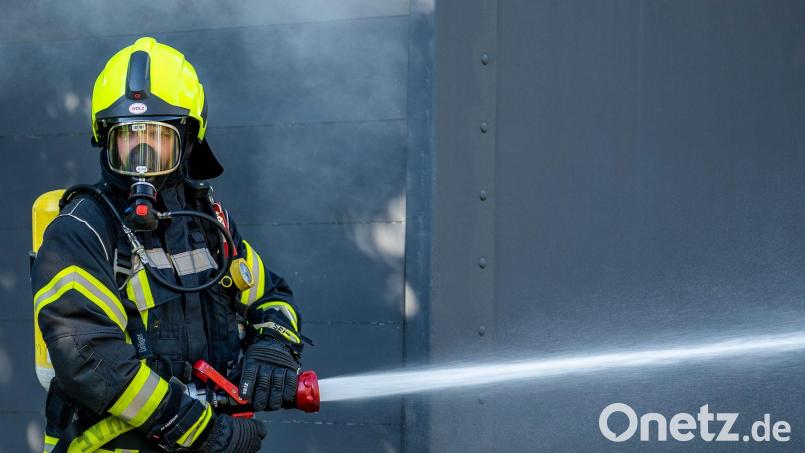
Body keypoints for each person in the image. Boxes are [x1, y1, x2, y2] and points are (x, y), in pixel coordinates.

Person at [31, 37, 305, 453]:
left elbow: (271, 296)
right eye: (128, 138)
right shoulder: (81, 231)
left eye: (157, 138)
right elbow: (88, 358)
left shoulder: (210, 225)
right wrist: (203, 432)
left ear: (188, 140)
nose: (142, 156)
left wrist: (273, 345)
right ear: (107, 143)